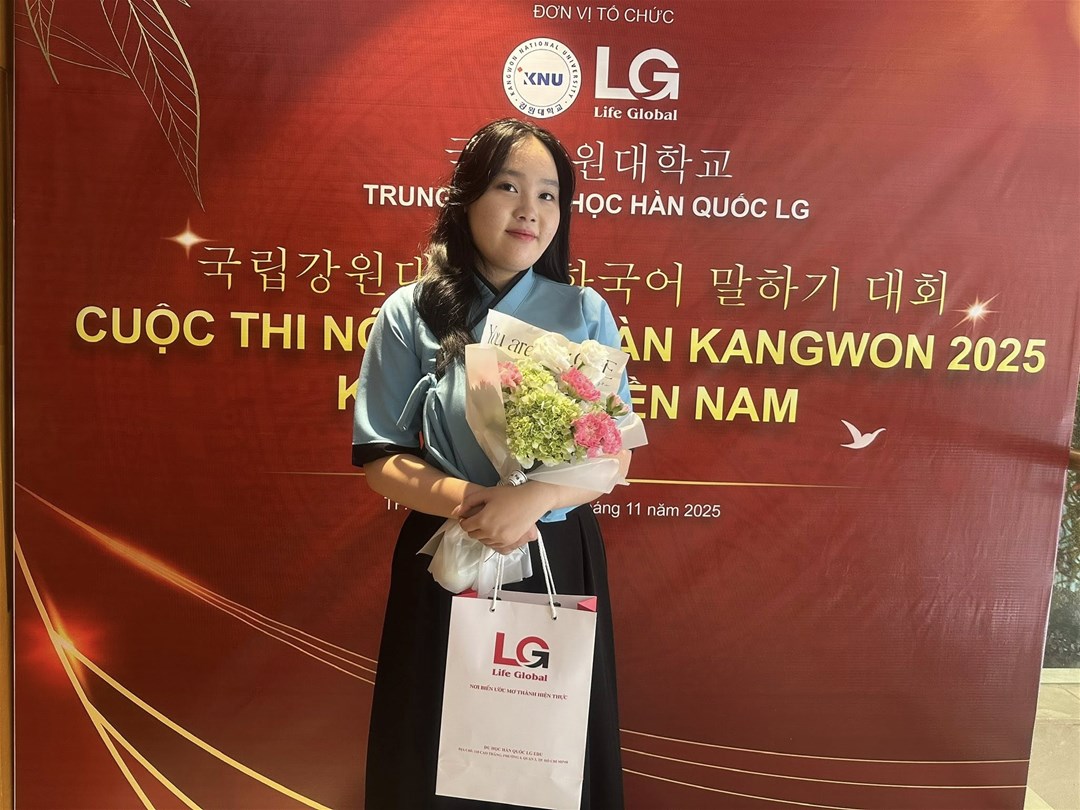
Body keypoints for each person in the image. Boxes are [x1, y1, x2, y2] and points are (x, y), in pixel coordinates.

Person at [352, 118, 633, 809]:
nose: (529, 210)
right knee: (438, 750)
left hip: (554, 551)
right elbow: (380, 456)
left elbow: (614, 451)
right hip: (449, 550)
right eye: (508, 187)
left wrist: (531, 500)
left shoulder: (584, 311)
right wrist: (475, 505)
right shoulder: (410, 312)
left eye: (548, 194)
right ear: (467, 196)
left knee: (545, 753)